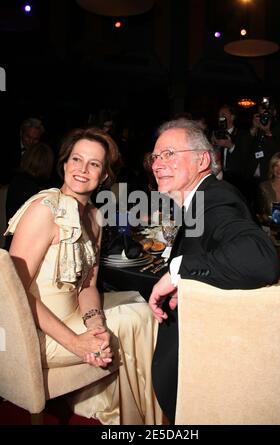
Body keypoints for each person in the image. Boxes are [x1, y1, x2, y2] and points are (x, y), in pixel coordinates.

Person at [4, 127, 162, 425]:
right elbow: (13, 294)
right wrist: (76, 342)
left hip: (74, 315)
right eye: (76, 159)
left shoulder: (94, 216)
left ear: (103, 176)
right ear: (64, 164)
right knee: (136, 320)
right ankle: (138, 421)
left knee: (143, 308)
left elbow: (88, 283)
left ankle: (131, 414)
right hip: (33, 331)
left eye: (94, 164)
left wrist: (96, 322)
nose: (82, 169)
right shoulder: (44, 210)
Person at [148, 118, 280, 423]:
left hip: (207, 372)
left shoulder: (215, 198)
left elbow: (260, 258)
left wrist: (177, 270)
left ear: (202, 160)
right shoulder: (201, 199)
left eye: (169, 154)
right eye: (155, 156)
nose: (157, 164)